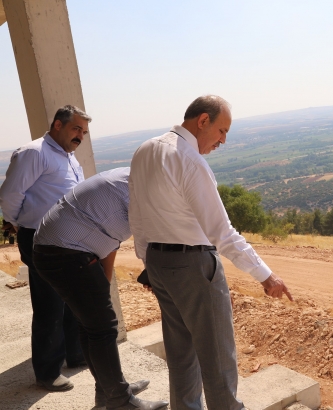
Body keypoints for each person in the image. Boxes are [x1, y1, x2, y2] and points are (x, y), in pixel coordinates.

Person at [129, 95, 293, 410]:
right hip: (193, 264)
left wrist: (148, 263)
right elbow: (222, 233)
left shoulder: (144, 150)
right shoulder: (189, 160)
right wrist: (266, 275)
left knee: (181, 356)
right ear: (203, 120)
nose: (223, 140)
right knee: (218, 359)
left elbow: (135, 215)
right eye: (222, 131)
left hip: (159, 262)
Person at [33, 167, 169, 410]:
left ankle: (109, 392)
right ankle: (120, 400)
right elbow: (148, 240)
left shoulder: (132, 178)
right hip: (66, 253)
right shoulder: (141, 189)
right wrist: (156, 279)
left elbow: (111, 241)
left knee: (92, 326)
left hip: (58, 250)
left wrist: (103, 286)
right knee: (102, 328)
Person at [0, 105, 88, 391]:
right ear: (58, 125)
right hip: (41, 238)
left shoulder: (69, 157)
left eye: (84, 132)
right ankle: (48, 372)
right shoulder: (34, 152)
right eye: (76, 129)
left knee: (73, 298)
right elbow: (10, 195)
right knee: (49, 303)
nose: (80, 136)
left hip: (69, 239)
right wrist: (20, 223)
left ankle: (75, 355)